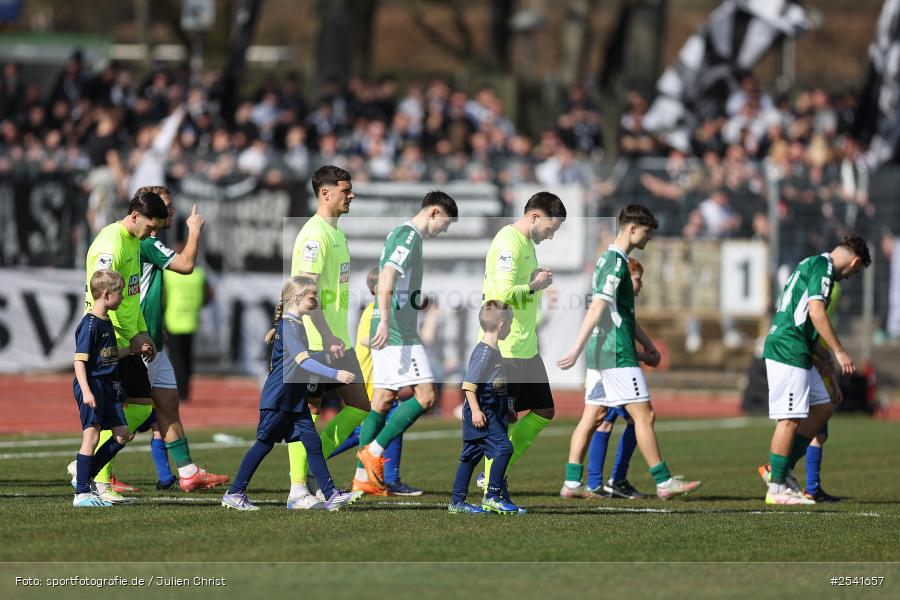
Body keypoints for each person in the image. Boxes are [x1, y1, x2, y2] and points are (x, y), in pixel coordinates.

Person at [90, 186, 229, 494]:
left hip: (147, 336)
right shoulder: (138, 242)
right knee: (124, 409)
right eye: (165, 209)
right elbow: (185, 265)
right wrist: (194, 231)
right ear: (140, 213)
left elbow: (137, 292)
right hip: (126, 339)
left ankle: (187, 471)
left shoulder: (138, 239)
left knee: (164, 403)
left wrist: (149, 326)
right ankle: (91, 468)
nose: (169, 215)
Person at [558, 204, 702, 499]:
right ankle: (663, 481)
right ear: (632, 229)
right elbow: (597, 306)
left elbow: (619, 313)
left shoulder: (607, 260)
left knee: (593, 416)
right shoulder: (616, 263)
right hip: (616, 354)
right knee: (644, 416)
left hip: (602, 354)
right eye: (647, 232)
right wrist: (575, 347)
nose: (649, 239)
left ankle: (572, 482)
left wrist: (647, 344)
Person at [221, 277, 363, 511]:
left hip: (295, 400)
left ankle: (331, 495)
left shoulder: (297, 324)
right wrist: (335, 373)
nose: (316, 300)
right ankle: (235, 493)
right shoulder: (289, 325)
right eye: (312, 296)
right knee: (264, 444)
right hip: (278, 399)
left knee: (313, 445)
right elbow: (302, 361)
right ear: (297, 298)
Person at [355, 191, 458, 495]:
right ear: (435, 212)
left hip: (396, 327)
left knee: (383, 400)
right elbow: (386, 276)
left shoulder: (404, 235)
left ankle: (364, 478)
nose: (445, 230)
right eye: (446, 223)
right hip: (398, 331)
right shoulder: (409, 236)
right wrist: (385, 320)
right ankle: (373, 452)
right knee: (426, 397)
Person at [759, 236, 870, 505]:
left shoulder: (812, 263)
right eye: (855, 272)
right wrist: (840, 351)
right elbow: (817, 312)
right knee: (789, 419)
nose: (850, 277)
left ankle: (780, 471)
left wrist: (826, 362)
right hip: (788, 348)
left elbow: (805, 319)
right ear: (855, 261)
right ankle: (776, 488)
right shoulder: (825, 267)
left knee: (823, 408)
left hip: (800, 348)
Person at [285, 165, 371, 509]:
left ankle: (314, 476)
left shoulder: (334, 231)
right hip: (315, 340)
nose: (351, 195)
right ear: (325, 193)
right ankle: (297, 490)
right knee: (308, 411)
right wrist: (325, 333)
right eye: (345, 190)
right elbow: (306, 291)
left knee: (360, 406)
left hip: (335, 340)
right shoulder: (315, 235)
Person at [77, 189, 167, 503]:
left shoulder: (133, 241)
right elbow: (103, 298)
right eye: (151, 227)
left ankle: (86, 469)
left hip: (130, 338)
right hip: (111, 343)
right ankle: (97, 482)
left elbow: (130, 298)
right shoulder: (109, 244)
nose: (153, 233)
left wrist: (143, 333)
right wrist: (129, 340)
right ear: (134, 216)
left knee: (142, 407)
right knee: (106, 417)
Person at [476, 191, 566, 491]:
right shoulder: (507, 242)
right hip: (507, 346)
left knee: (544, 410)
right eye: (551, 229)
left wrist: (534, 280)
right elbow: (500, 296)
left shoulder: (526, 243)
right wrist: (533, 285)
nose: (551, 237)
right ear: (535, 217)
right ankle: (491, 483)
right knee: (503, 419)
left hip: (526, 346)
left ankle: (493, 474)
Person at [560, 257, 647, 499]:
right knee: (634, 419)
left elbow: (629, 328)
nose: (640, 285)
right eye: (638, 279)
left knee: (605, 419)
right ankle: (607, 480)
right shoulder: (610, 299)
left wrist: (646, 349)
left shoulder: (617, 302)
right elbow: (615, 339)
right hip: (611, 367)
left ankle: (592, 482)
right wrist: (644, 354)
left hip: (608, 366)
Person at [327, 267, 417, 495]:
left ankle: (313, 458)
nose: (396, 290)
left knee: (370, 429)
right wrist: (385, 339)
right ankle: (390, 480)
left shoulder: (384, 312)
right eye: (391, 285)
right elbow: (364, 339)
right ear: (377, 289)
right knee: (384, 424)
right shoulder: (373, 312)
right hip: (370, 382)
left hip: (379, 381)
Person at [449, 301, 522, 515]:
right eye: (509, 324)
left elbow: (496, 383)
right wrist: (477, 411)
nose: (510, 328)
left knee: (470, 456)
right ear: (501, 326)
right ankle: (492, 496)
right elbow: (469, 385)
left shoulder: (493, 350)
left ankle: (457, 502)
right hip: (482, 414)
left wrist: (508, 407)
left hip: (492, 412)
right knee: (505, 449)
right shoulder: (484, 353)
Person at [71, 270, 130, 507]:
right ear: (106, 294)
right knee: (92, 435)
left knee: (122, 434)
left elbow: (110, 356)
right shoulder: (90, 324)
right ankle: (82, 493)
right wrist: (86, 391)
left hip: (107, 386)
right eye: (120, 294)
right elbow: (79, 361)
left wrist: (133, 351)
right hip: (93, 385)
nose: (122, 298)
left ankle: (83, 476)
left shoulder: (106, 322)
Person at [163, 250, 211, 402]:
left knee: (175, 360)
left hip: (173, 320)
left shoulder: (169, 274)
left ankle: (178, 391)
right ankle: (185, 391)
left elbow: (162, 296)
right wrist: (198, 305)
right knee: (187, 359)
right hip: (191, 320)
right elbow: (209, 294)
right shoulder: (198, 274)